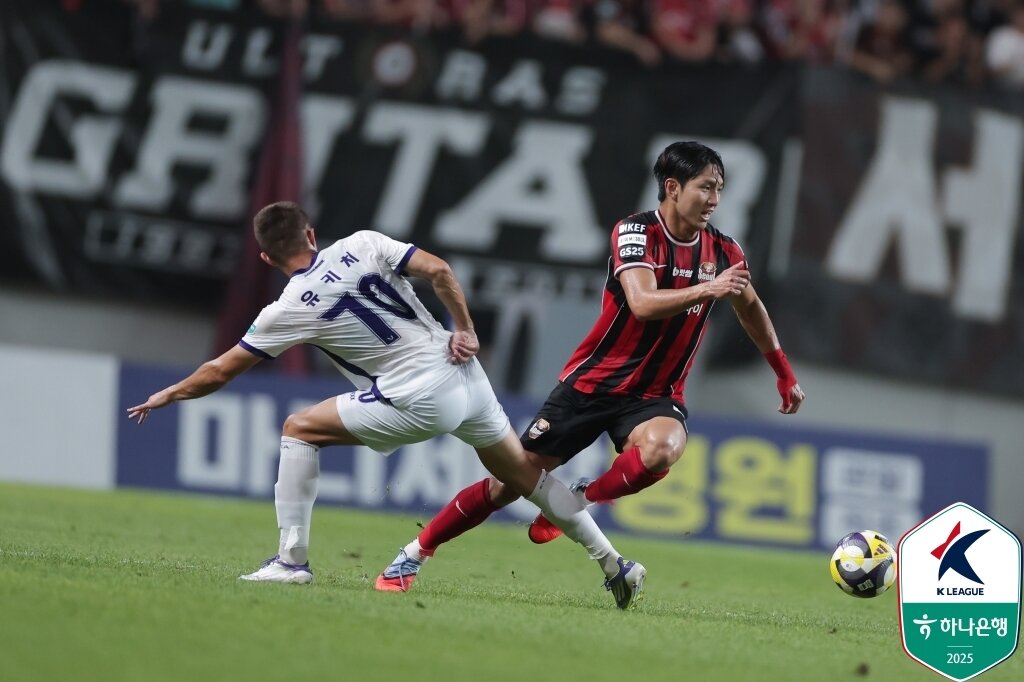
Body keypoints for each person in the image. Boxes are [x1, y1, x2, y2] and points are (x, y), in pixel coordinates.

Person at [127, 201, 646, 609]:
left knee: (298, 428)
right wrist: (464, 328)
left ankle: (292, 561)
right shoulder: (364, 242)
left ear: (267, 258)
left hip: (418, 395)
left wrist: (170, 393)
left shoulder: (286, 308)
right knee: (526, 478)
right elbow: (440, 270)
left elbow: (221, 370)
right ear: (311, 234)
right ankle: (614, 564)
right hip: (464, 372)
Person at [377, 141, 805, 588]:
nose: (715, 199)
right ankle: (414, 553)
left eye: (720, 189)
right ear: (673, 188)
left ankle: (578, 500)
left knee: (663, 449)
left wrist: (783, 373)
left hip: (655, 396)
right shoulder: (635, 232)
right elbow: (640, 304)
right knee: (508, 483)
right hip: (591, 386)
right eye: (706, 187)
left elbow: (750, 308)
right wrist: (707, 290)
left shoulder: (724, 251)